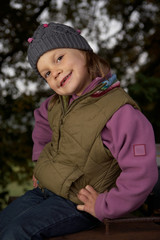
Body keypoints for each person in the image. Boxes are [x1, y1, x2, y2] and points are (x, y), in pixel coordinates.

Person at [0, 22, 158, 240]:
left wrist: (105, 205)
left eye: (59, 58)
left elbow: (141, 173)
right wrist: (41, 163)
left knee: (15, 233)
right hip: (45, 191)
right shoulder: (55, 105)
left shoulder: (119, 112)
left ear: (84, 53)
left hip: (78, 204)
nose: (54, 72)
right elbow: (42, 124)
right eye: (46, 73)